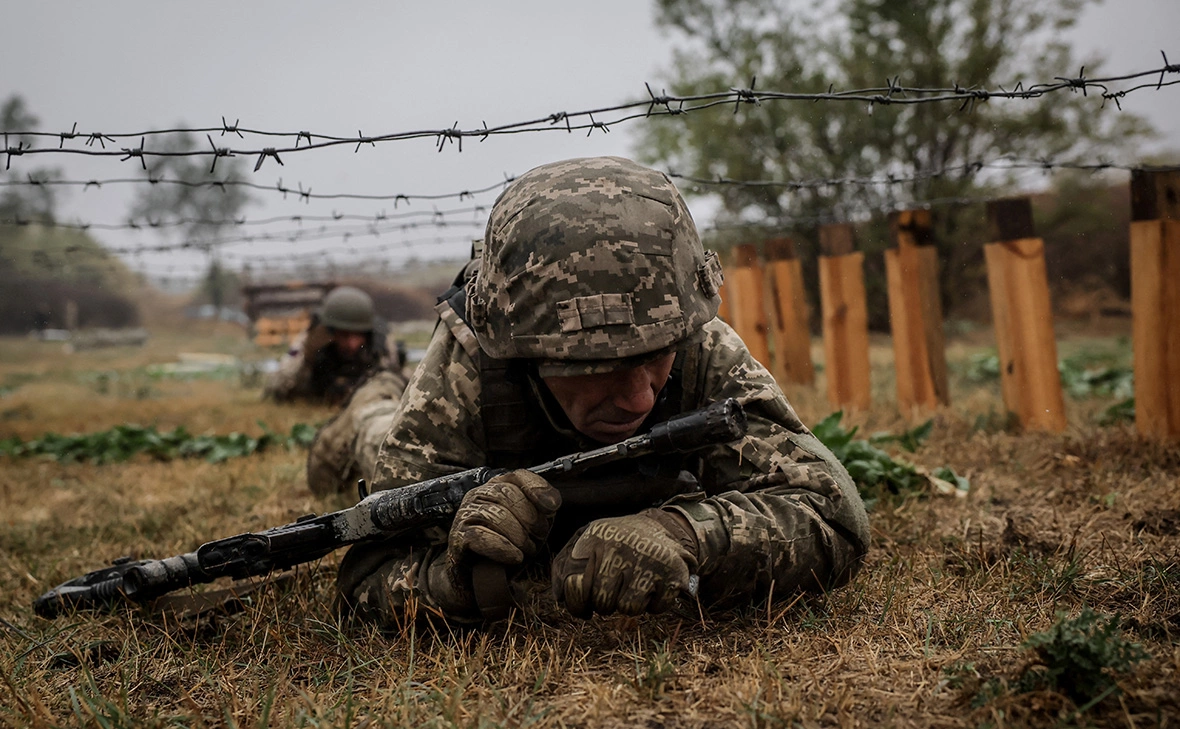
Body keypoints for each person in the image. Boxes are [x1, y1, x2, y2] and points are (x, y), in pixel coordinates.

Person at [331, 156, 870, 627]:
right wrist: (461, 579)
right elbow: (367, 575)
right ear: (522, 351)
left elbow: (832, 510)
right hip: (405, 423)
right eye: (598, 366)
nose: (639, 398)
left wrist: (689, 536)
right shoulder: (468, 366)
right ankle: (367, 404)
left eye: (656, 358)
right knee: (375, 424)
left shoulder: (693, 337)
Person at [263, 285, 407, 407]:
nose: (352, 344)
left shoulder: (380, 345)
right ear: (330, 332)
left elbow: (399, 382)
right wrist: (307, 356)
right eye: (344, 335)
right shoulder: (312, 341)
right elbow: (277, 386)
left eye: (358, 335)